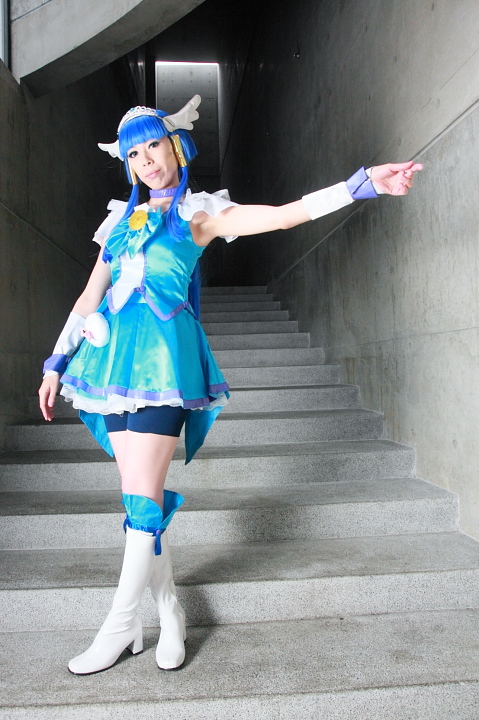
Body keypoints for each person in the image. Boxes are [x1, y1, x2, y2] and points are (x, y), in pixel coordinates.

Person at [38, 95, 422, 675]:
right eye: (134, 154)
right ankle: (169, 613)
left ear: (176, 147)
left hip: (165, 364)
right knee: (140, 498)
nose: (147, 161)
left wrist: (359, 185)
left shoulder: (200, 214)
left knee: (142, 499)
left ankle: (118, 626)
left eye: (154, 146)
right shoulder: (119, 221)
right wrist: (55, 361)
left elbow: (283, 215)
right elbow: (90, 295)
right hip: (109, 363)